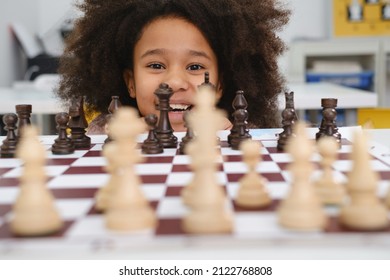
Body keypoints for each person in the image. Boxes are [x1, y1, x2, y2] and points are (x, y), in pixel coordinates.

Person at [56, 0, 290, 134]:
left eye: (195, 66)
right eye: (156, 65)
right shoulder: (105, 133)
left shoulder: (244, 133)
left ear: (220, 86)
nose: (175, 82)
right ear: (131, 83)